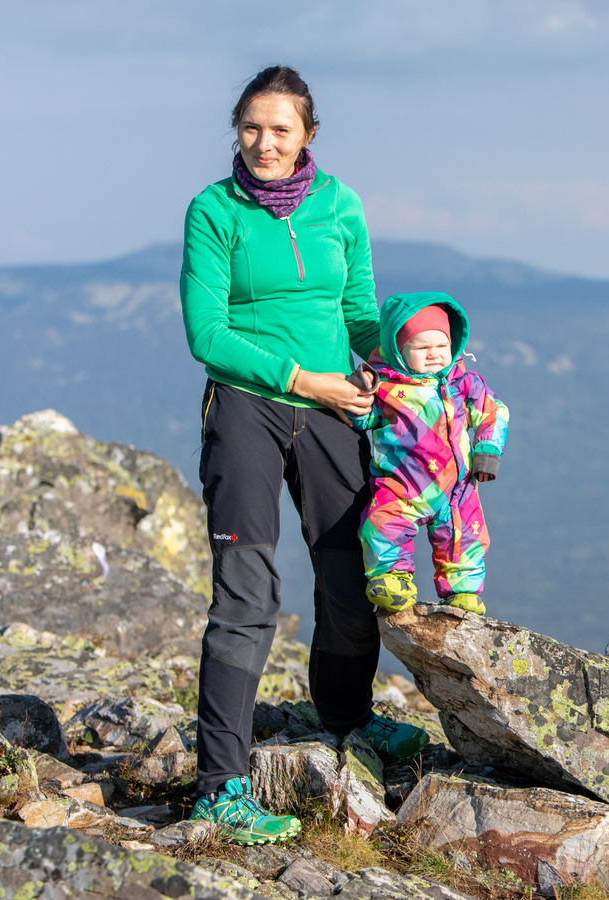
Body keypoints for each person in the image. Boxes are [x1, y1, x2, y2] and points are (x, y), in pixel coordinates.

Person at [179, 66, 429, 846]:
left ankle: (348, 722)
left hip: (333, 411)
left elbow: (358, 312)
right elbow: (206, 334)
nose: (263, 143)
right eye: (251, 127)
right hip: (247, 408)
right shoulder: (213, 211)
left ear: (307, 136)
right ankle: (219, 787)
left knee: (353, 578)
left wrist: (413, 367)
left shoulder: (340, 204)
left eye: (280, 129)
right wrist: (301, 379)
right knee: (247, 597)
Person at [351, 292, 509, 614]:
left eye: (442, 345)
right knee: (383, 523)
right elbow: (364, 417)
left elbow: (493, 412)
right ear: (398, 349)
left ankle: (462, 592)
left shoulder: (464, 382)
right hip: (403, 484)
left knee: (465, 538)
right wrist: (359, 391)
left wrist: (487, 451)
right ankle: (391, 579)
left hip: (459, 487)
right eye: (421, 347)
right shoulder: (386, 388)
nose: (435, 354)